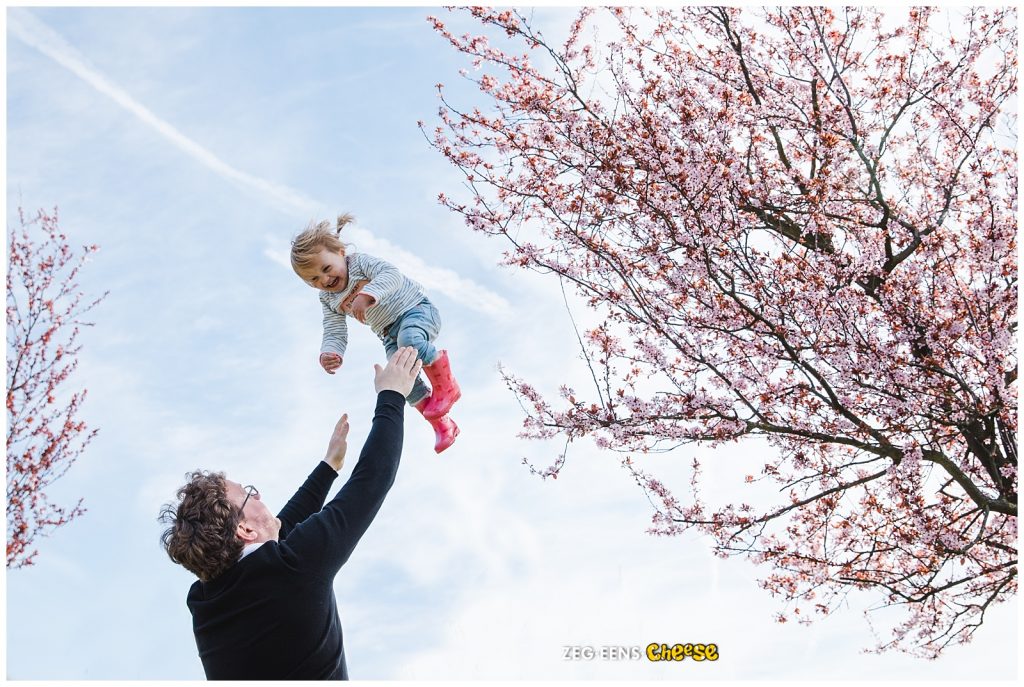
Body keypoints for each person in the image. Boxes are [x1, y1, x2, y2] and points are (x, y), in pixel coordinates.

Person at [159, 347, 423, 680]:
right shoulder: (293, 571)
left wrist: (328, 468)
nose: (260, 495)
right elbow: (372, 480)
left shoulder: (206, 606)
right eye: (250, 494)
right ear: (244, 531)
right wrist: (391, 395)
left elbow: (279, 540)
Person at [290, 213, 460, 453]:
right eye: (314, 279)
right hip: (389, 335)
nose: (325, 279)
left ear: (340, 253)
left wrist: (367, 295)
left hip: (415, 310)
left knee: (410, 340)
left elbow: (392, 275)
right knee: (398, 379)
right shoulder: (328, 298)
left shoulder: (359, 263)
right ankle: (442, 424)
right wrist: (330, 351)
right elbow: (334, 328)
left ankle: (447, 386)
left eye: (326, 269)